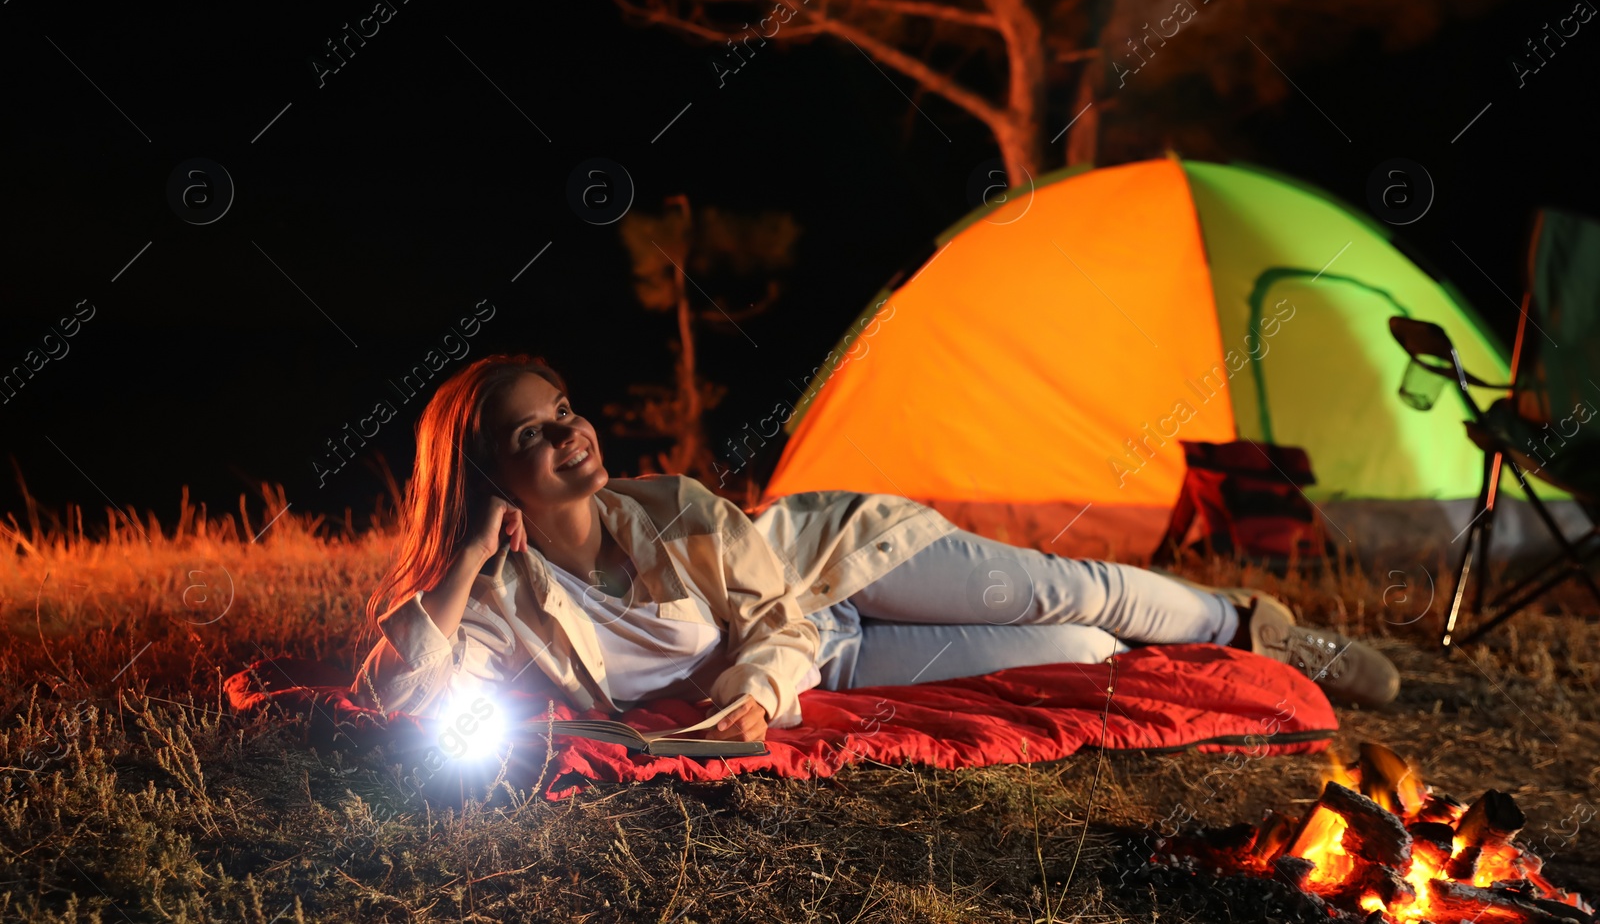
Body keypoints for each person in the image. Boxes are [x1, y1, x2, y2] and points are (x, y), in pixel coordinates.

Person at [353, 355, 1398, 744]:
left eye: (565, 408)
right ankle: (1217, 658)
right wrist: (458, 570)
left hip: (831, 569)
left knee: (1052, 589)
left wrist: (757, 698)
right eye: (529, 432)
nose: (568, 432)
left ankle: (1253, 623)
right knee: (1077, 652)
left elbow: (775, 618)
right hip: (835, 660)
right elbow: (398, 703)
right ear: (485, 473)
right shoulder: (496, 602)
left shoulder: (666, 504)